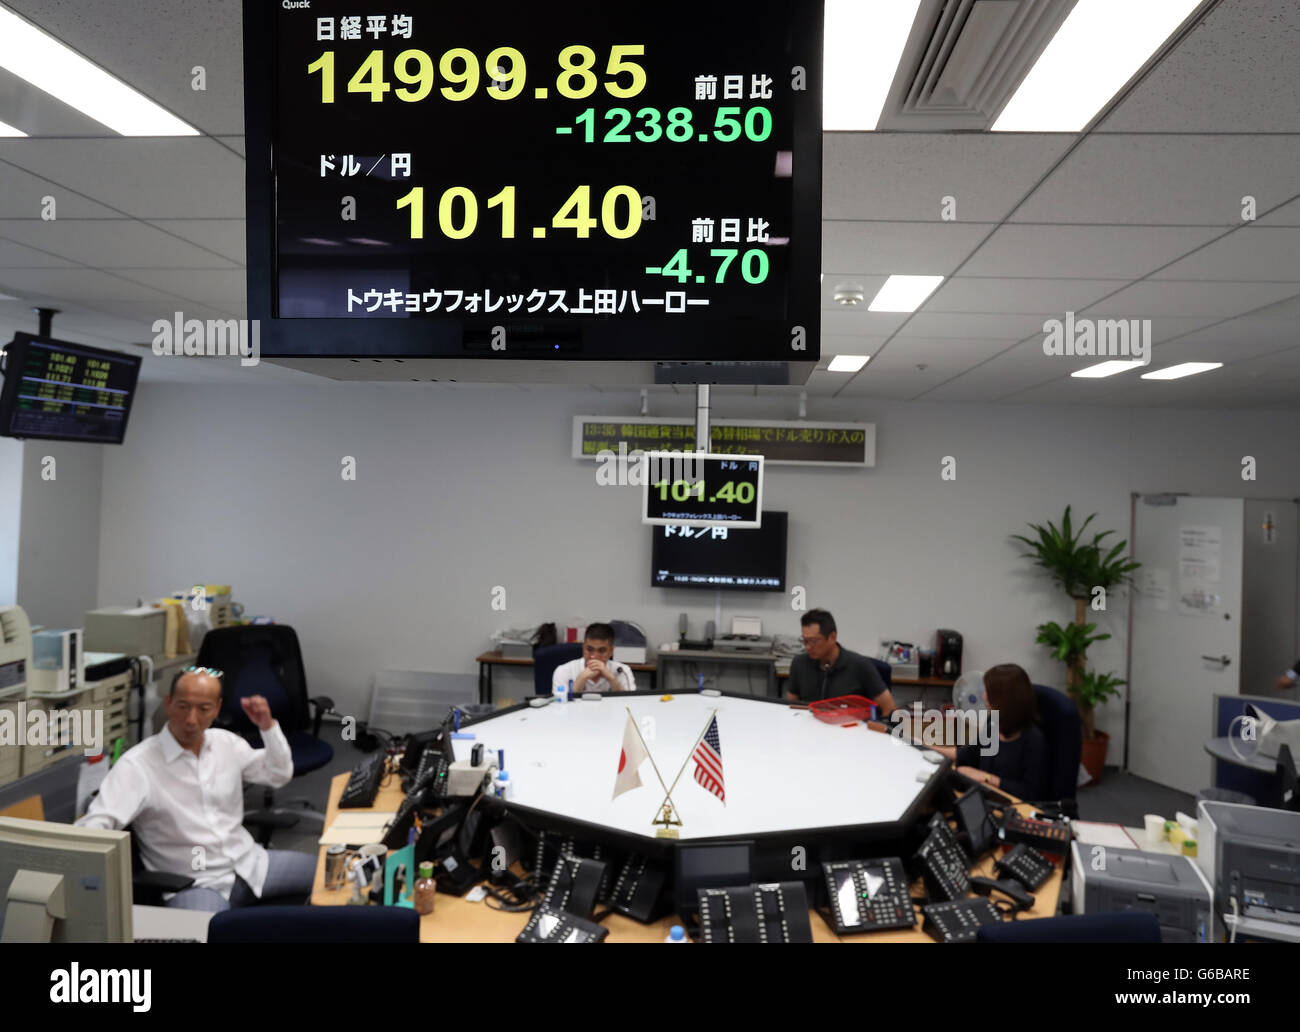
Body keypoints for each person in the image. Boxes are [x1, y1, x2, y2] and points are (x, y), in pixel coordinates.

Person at [76, 667, 317, 912]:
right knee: (203, 934)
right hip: (197, 883)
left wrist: (268, 727)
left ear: (217, 709)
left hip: (250, 865)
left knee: (335, 879)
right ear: (168, 704)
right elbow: (94, 827)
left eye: (203, 709)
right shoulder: (137, 765)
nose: (192, 719)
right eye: (183, 706)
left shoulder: (226, 743)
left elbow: (279, 773)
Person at [933, 663, 1050, 800]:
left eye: (989, 692)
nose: (984, 696)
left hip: (1011, 806)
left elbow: (1030, 792)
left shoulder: (1034, 740)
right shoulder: (994, 722)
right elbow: (966, 755)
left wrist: (987, 778)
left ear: (1006, 699)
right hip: (984, 797)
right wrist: (921, 745)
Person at [786, 609, 897, 718]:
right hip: (810, 729)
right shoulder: (799, 663)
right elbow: (791, 706)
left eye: (813, 641)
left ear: (832, 637)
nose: (808, 647)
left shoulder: (861, 666)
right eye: (804, 640)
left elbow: (890, 709)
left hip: (850, 729)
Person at [551, 623, 637, 695]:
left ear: (611, 651)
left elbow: (630, 703)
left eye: (601, 650)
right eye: (590, 649)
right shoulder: (563, 670)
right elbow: (561, 708)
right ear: (583, 647)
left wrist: (611, 678)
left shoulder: (622, 670)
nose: (594, 656)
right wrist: (581, 678)